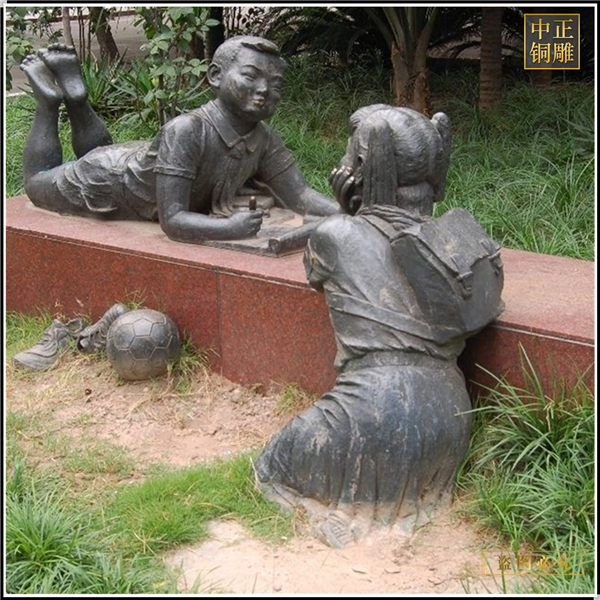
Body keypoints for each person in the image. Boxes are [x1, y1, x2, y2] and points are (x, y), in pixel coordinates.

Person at [254, 105, 504, 547]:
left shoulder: (334, 235)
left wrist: (344, 209)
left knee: (271, 465)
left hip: (373, 413)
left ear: (363, 170)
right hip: (451, 416)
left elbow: (317, 272)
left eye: (348, 156)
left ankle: (348, 517)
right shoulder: (453, 239)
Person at [20, 36, 339, 243]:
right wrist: (229, 228)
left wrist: (348, 209)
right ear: (215, 76)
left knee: (98, 149)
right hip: (109, 183)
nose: (264, 90)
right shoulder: (186, 130)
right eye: (250, 76)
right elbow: (172, 220)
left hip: (143, 160)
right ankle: (49, 102)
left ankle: (78, 100)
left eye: (276, 84)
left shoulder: (264, 137)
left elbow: (300, 194)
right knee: (37, 182)